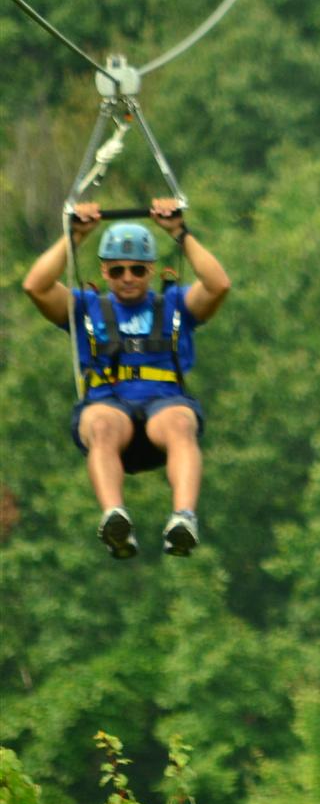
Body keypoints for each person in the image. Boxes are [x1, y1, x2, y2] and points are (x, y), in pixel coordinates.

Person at [22, 198, 231, 559]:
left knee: (182, 422)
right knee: (101, 425)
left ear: (150, 270)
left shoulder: (174, 305)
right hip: (108, 406)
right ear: (104, 273)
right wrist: (74, 236)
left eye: (136, 269)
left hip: (162, 408)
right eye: (117, 271)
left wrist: (180, 233)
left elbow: (218, 285)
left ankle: (183, 517)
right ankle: (115, 517)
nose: (128, 278)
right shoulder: (86, 308)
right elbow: (36, 286)